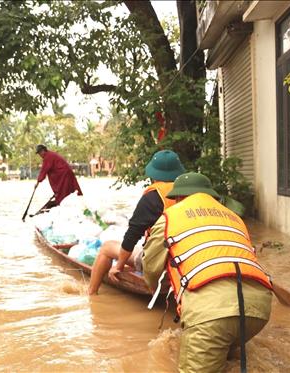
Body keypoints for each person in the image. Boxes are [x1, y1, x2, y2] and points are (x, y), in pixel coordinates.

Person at [143, 172, 272, 373]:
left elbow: (150, 268)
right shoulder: (235, 218)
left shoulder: (169, 217)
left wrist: (155, 292)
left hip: (210, 312)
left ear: (178, 197)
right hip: (259, 311)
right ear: (210, 195)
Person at [88, 150, 185, 295]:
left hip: (161, 263)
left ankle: (91, 294)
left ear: (152, 175)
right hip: (188, 258)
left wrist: (119, 266)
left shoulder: (153, 197)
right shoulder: (191, 194)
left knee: (107, 248)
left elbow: (131, 236)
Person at [34, 144, 82, 209]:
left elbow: (44, 170)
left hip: (64, 175)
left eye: (40, 153)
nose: (40, 155)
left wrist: (37, 182)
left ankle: (61, 202)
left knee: (63, 191)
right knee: (66, 191)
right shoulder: (50, 155)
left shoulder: (48, 157)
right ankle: (62, 201)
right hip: (65, 173)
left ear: (43, 151)